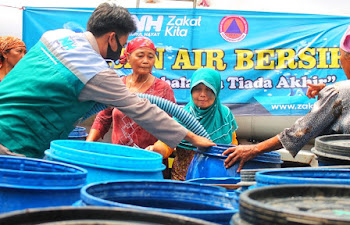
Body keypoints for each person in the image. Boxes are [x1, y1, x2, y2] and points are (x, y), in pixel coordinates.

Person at [0, 2, 214, 158]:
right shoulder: (97, 72)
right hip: (16, 143)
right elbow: (142, 109)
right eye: (122, 44)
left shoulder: (54, 36)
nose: (120, 51)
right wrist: (193, 138)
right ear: (111, 38)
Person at [223, 23, 350, 172]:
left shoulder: (338, 92)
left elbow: (300, 132)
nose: (341, 60)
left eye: (341, 55)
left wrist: (254, 149)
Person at [86, 36, 176, 177]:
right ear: (128, 57)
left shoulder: (163, 89)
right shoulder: (117, 85)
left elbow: (171, 129)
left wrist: (158, 149)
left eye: (150, 57)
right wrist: (87, 147)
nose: (146, 61)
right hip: (119, 162)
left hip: (149, 165)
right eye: (140, 56)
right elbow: (102, 119)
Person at [147, 68, 238, 180]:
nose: (203, 95)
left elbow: (233, 144)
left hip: (216, 181)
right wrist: (155, 149)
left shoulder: (225, 115)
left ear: (217, 90)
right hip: (184, 182)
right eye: (198, 89)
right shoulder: (183, 115)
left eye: (209, 89)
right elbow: (167, 143)